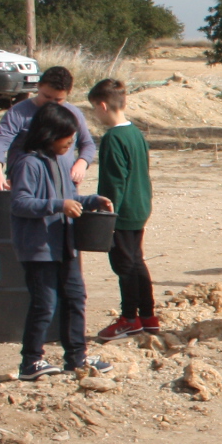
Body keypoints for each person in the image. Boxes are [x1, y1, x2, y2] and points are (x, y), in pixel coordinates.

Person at [11, 103, 112, 382]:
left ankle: (76, 357)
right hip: (39, 248)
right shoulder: (28, 163)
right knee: (44, 304)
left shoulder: (60, 160)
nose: (71, 142)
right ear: (48, 134)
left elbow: (70, 198)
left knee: (75, 298)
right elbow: (20, 203)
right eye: (66, 137)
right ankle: (30, 361)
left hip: (66, 244)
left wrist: (92, 201)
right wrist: (58, 205)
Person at [86, 80, 156, 344]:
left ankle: (129, 319)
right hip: (139, 207)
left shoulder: (114, 138)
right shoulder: (136, 133)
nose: (95, 114)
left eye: (94, 108)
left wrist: (106, 212)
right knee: (137, 261)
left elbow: (115, 180)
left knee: (124, 265)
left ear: (103, 106)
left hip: (122, 212)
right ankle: (148, 316)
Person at [0, 65, 95, 192]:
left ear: (68, 93)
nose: (51, 103)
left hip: (63, 184)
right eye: (47, 97)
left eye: (58, 99)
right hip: (27, 184)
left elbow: (87, 143)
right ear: (38, 86)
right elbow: (0, 142)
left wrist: (81, 164)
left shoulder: (73, 114)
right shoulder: (18, 112)